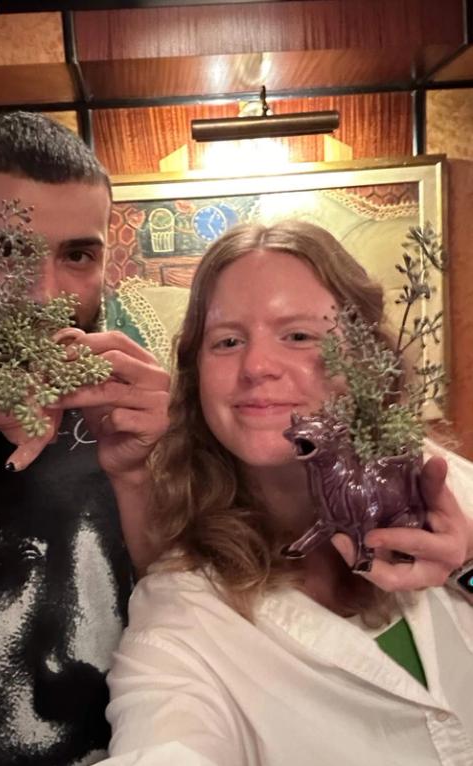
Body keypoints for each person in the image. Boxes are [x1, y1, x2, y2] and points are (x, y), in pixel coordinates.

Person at [103, 221, 473, 765]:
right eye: (227, 341)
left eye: (299, 336)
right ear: (195, 374)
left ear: (366, 360)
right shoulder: (183, 613)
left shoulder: (449, 483)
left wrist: (467, 564)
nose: (256, 367)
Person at [0, 111, 168, 766]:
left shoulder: (142, 417)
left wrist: (160, 468)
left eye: (77, 255)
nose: (45, 296)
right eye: (3, 253)